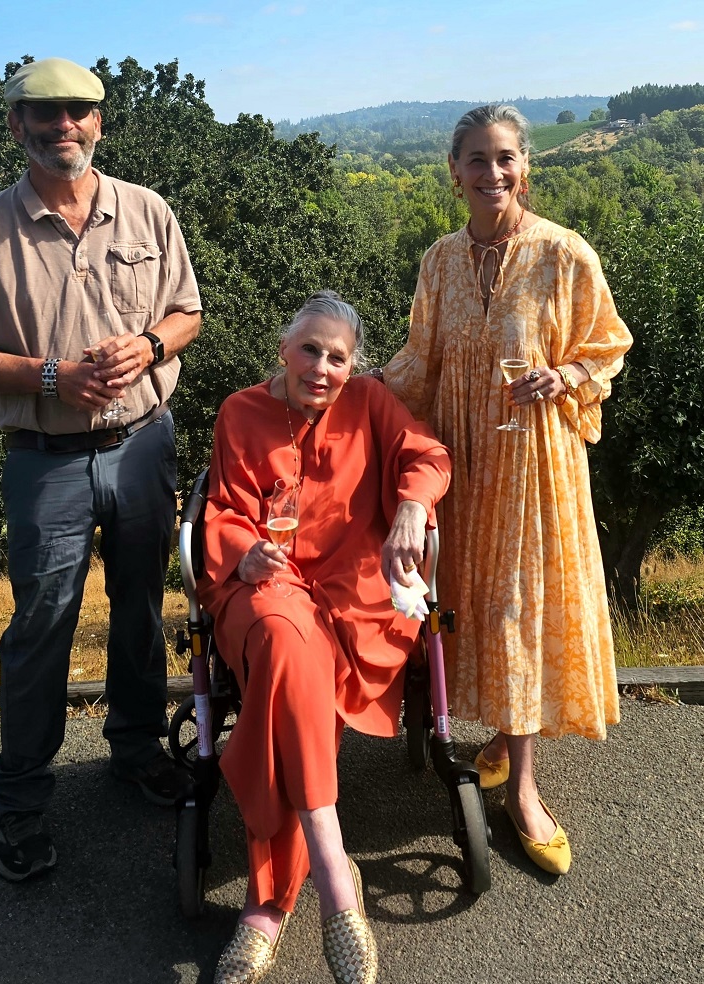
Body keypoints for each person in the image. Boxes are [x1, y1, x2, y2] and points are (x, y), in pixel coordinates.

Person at [0, 58, 202, 881]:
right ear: (15, 125)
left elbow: (188, 313)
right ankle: (19, 798)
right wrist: (52, 376)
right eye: (45, 113)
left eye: (79, 111)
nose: (64, 125)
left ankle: (136, 751)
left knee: (141, 609)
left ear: (99, 121)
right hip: (43, 458)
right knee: (43, 624)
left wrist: (149, 345)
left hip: (143, 444)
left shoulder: (146, 210)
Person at [384, 104, 633, 876]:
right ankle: (499, 736)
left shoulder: (563, 252)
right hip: (462, 464)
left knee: (520, 611)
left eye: (504, 158)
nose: (491, 172)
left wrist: (566, 374)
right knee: (478, 607)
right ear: (453, 171)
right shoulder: (438, 260)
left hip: (533, 466)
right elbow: (417, 362)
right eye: (476, 159)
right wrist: (337, 393)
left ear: (524, 166)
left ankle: (523, 791)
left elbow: (609, 342)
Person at [198, 291, 451, 984]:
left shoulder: (369, 402)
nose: (321, 367)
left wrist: (410, 506)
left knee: (293, 677)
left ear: (352, 366)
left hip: (351, 595)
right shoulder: (239, 412)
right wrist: (244, 551)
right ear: (283, 349)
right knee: (284, 640)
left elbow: (428, 455)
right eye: (309, 349)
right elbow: (222, 510)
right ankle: (336, 877)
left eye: (337, 357)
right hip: (265, 587)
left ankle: (266, 907)